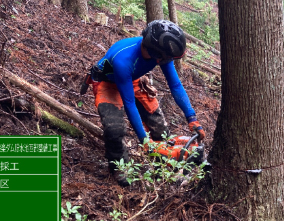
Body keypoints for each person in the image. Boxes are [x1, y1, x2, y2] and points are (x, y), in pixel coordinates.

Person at [85, 20, 205, 186]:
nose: (167, 60)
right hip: (108, 82)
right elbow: (129, 103)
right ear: (156, 52)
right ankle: (121, 168)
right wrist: (144, 141)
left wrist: (192, 118)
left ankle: (163, 162)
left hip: (132, 79)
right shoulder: (124, 60)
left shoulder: (160, 55)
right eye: (166, 57)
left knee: (158, 124)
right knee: (114, 129)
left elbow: (175, 85)